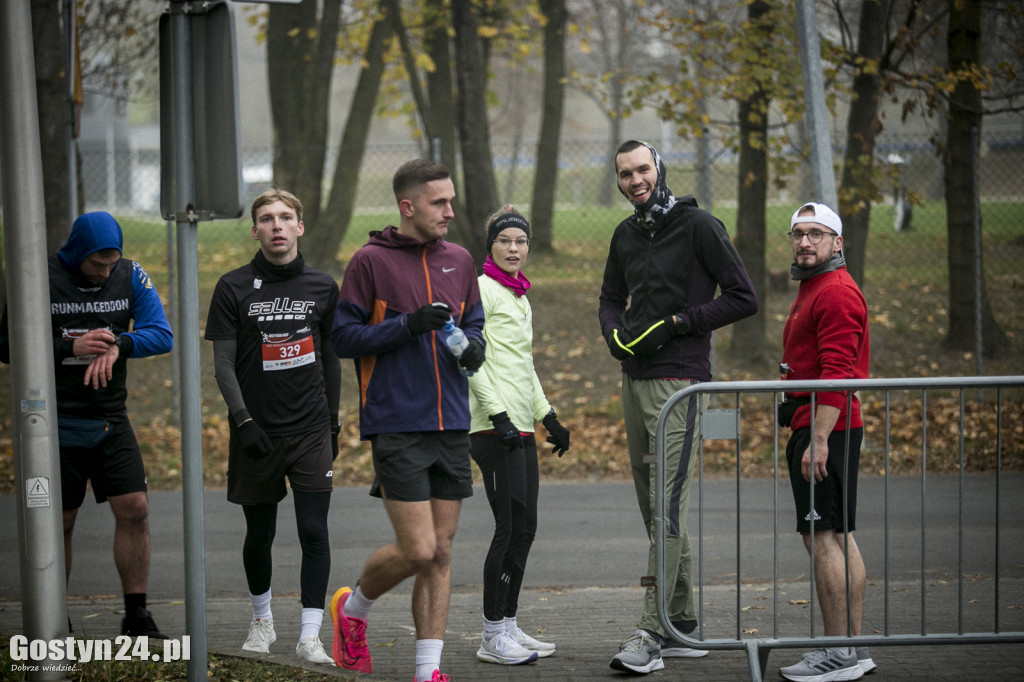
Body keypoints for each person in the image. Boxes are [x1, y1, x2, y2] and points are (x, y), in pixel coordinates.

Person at [598, 140, 758, 674]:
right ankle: (684, 621)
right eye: (625, 174)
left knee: (667, 506)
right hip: (634, 380)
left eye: (643, 169)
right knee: (654, 509)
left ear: (659, 169)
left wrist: (678, 324)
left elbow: (743, 296)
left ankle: (651, 630)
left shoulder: (699, 227)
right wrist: (614, 336)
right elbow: (608, 298)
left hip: (681, 384)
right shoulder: (625, 234)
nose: (635, 180)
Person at [329, 159, 486, 682]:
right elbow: (344, 338)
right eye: (439, 202)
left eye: (451, 200)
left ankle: (427, 672)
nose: (450, 211)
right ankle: (353, 610)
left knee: (440, 552)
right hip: (396, 421)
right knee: (418, 548)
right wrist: (406, 326)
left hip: (452, 422)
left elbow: (475, 325)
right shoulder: (369, 262)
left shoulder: (461, 259)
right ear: (407, 206)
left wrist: (475, 350)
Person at [0, 211, 173, 638]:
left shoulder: (131, 275)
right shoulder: (38, 274)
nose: (105, 272)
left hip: (110, 418)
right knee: (59, 520)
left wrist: (121, 345)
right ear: (78, 253)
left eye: (112, 263)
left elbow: (162, 333)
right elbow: (6, 345)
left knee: (135, 508)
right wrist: (70, 345)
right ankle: (53, 616)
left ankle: (137, 615)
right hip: (52, 422)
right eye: (98, 264)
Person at [204, 189, 341, 665]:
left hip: (310, 432)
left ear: (300, 227)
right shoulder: (233, 286)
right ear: (256, 230)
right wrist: (243, 422)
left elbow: (330, 358)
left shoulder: (322, 286)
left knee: (314, 533)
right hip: (256, 434)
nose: (277, 225)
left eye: (286, 217)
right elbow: (222, 365)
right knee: (259, 533)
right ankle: (261, 622)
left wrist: (334, 423)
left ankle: (310, 635)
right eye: (267, 219)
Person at [466, 207, 571, 666]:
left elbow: (521, 364)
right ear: (490, 245)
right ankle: (490, 635)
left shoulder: (518, 295)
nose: (514, 248)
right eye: (505, 240)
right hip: (492, 427)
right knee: (507, 530)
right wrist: (499, 416)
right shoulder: (481, 290)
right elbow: (472, 361)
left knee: (526, 530)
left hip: (521, 425)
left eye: (520, 241)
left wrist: (547, 416)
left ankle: (508, 624)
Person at [777, 202, 872, 682]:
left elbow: (838, 372)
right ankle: (850, 648)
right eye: (798, 233)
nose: (805, 242)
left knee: (823, 539)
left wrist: (818, 440)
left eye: (816, 234)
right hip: (821, 426)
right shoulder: (815, 285)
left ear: (838, 242)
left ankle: (840, 654)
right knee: (837, 535)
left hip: (825, 429)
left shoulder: (835, 291)